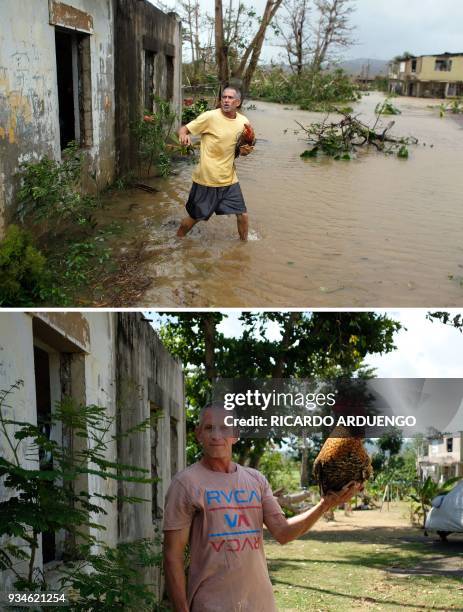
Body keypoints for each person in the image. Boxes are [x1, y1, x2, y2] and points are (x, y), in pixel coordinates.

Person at [163, 404, 362, 612]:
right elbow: (172, 556)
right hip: (212, 604)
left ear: (236, 434)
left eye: (224, 428)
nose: (216, 435)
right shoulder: (185, 484)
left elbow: (283, 532)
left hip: (260, 603)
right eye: (209, 428)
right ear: (198, 434)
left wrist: (325, 505)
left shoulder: (255, 479)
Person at [176, 87, 254, 241]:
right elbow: (184, 129)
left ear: (238, 102)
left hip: (229, 178)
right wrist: (184, 136)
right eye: (224, 97)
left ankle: (243, 246)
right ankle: (177, 240)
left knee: (242, 214)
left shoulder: (244, 122)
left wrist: (246, 150)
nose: (226, 100)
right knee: (195, 217)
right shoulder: (209, 117)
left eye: (230, 98)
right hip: (207, 178)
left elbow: (245, 146)